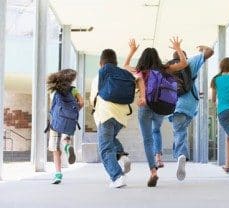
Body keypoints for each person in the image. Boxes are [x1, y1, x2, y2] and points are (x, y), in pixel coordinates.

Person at [124, 37, 188, 187]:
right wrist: (178, 48)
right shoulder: (165, 69)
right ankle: (159, 155)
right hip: (160, 107)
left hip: (144, 107)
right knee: (156, 129)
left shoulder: (140, 71)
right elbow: (184, 63)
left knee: (148, 140)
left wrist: (132, 50)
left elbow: (126, 65)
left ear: (143, 59)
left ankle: (153, 171)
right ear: (157, 58)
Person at [90, 49, 140, 188]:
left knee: (105, 148)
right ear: (115, 62)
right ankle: (122, 156)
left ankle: (117, 177)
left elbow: (93, 99)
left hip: (105, 115)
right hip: (121, 117)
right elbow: (136, 86)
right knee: (111, 139)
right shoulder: (124, 74)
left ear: (101, 63)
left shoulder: (99, 76)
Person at [168, 46, 214, 181]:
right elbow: (210, 52)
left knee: (179, 132)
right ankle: (179, 153)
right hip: (191, 105)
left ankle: (181, 155)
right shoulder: (190, 63)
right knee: (181, 131)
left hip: (176, 106)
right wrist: (202, 48)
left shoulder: (168, 67)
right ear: (184, 56)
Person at [47, 69, 84, 184]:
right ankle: (68, 147)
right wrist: (74, 111)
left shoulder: (54, 90)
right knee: (65, 140)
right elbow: (81, 102)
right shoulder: (73, 90)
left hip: (56, 122)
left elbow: (53, 106)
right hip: (69, 120)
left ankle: (58, 174)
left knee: (55, 149)